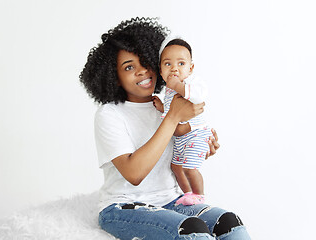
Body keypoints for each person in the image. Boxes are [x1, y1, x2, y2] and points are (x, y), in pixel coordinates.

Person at [80, 17, 251, 240]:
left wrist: (199, 145)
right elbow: (134, 173)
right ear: (114, 76)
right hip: (122, 208)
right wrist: (172, 118)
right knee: (191, 231)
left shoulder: (165, 105)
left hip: (170, 201)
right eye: (129, 67)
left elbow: (177, 148)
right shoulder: (110, 114)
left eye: (145, 62)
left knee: (230, 222)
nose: (141, 71)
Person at [153, 37, 210, 206]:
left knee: (189, 168)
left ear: (191, 68)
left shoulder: (192, 83)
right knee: (176, 167)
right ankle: (188, 194)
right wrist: (163, 107)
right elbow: (174, 113)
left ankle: (200, 196)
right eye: (168, 64)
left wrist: (178, 86)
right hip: (180, 139)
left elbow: (197, 97)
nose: (174, 69)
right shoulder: (168, 91)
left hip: (196, 133)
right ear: (161, 71)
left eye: (181, 64)